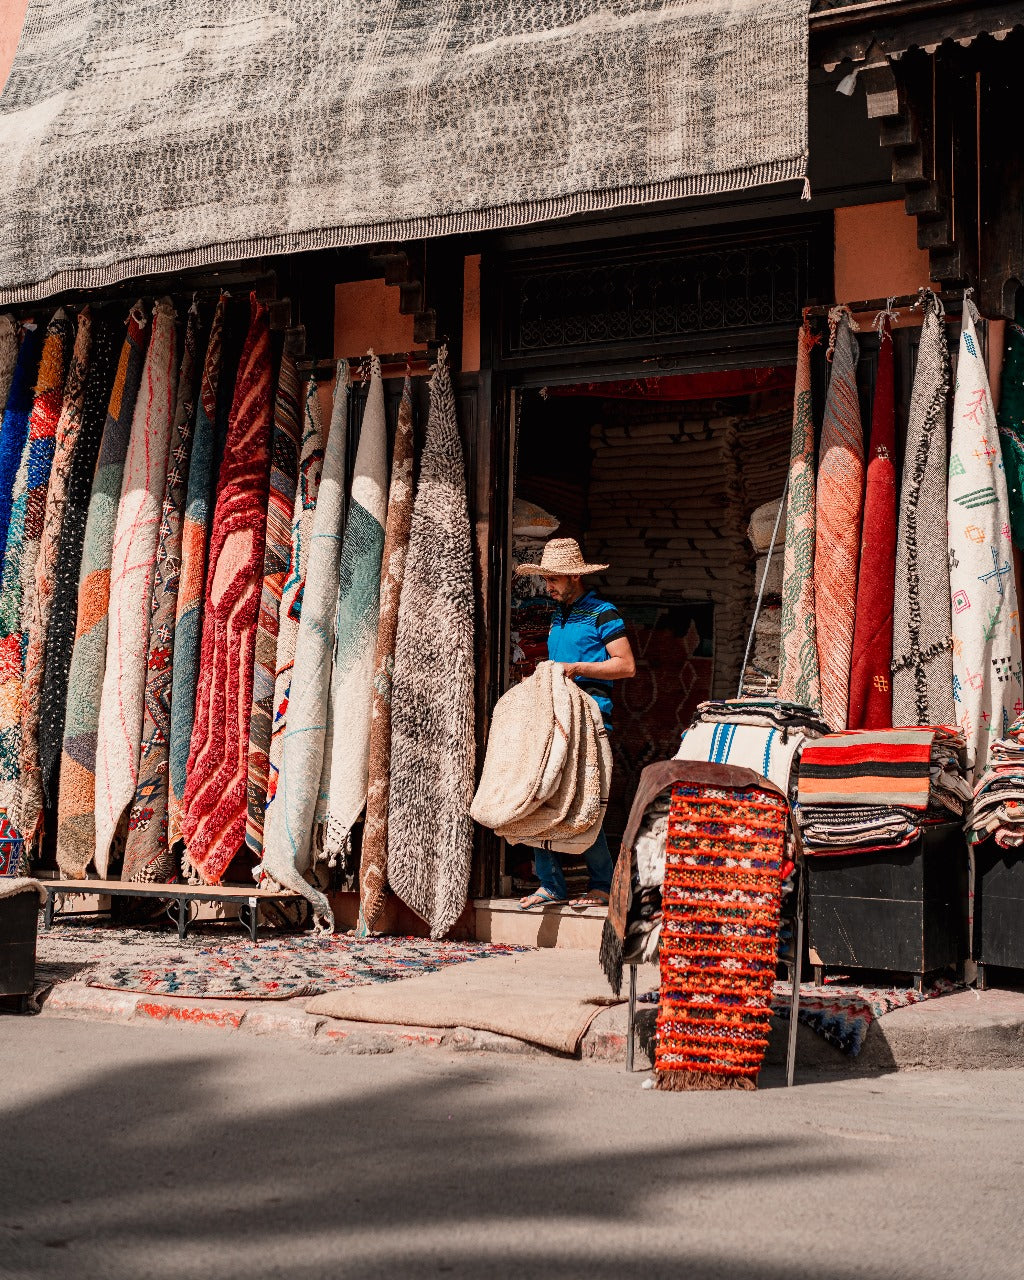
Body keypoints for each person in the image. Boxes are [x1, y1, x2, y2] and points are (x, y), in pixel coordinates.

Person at [512, 537, 635, 911]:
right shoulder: (557, 616)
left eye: (553, 579)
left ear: (573, 577)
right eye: (546, 579)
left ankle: (601, 884)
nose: (547, 586)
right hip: (554, 718)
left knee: (583, 801)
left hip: (590, 719)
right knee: (539, 795)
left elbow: (625, 665)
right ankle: (550, 883)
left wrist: (576, 669)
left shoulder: (604, 613)